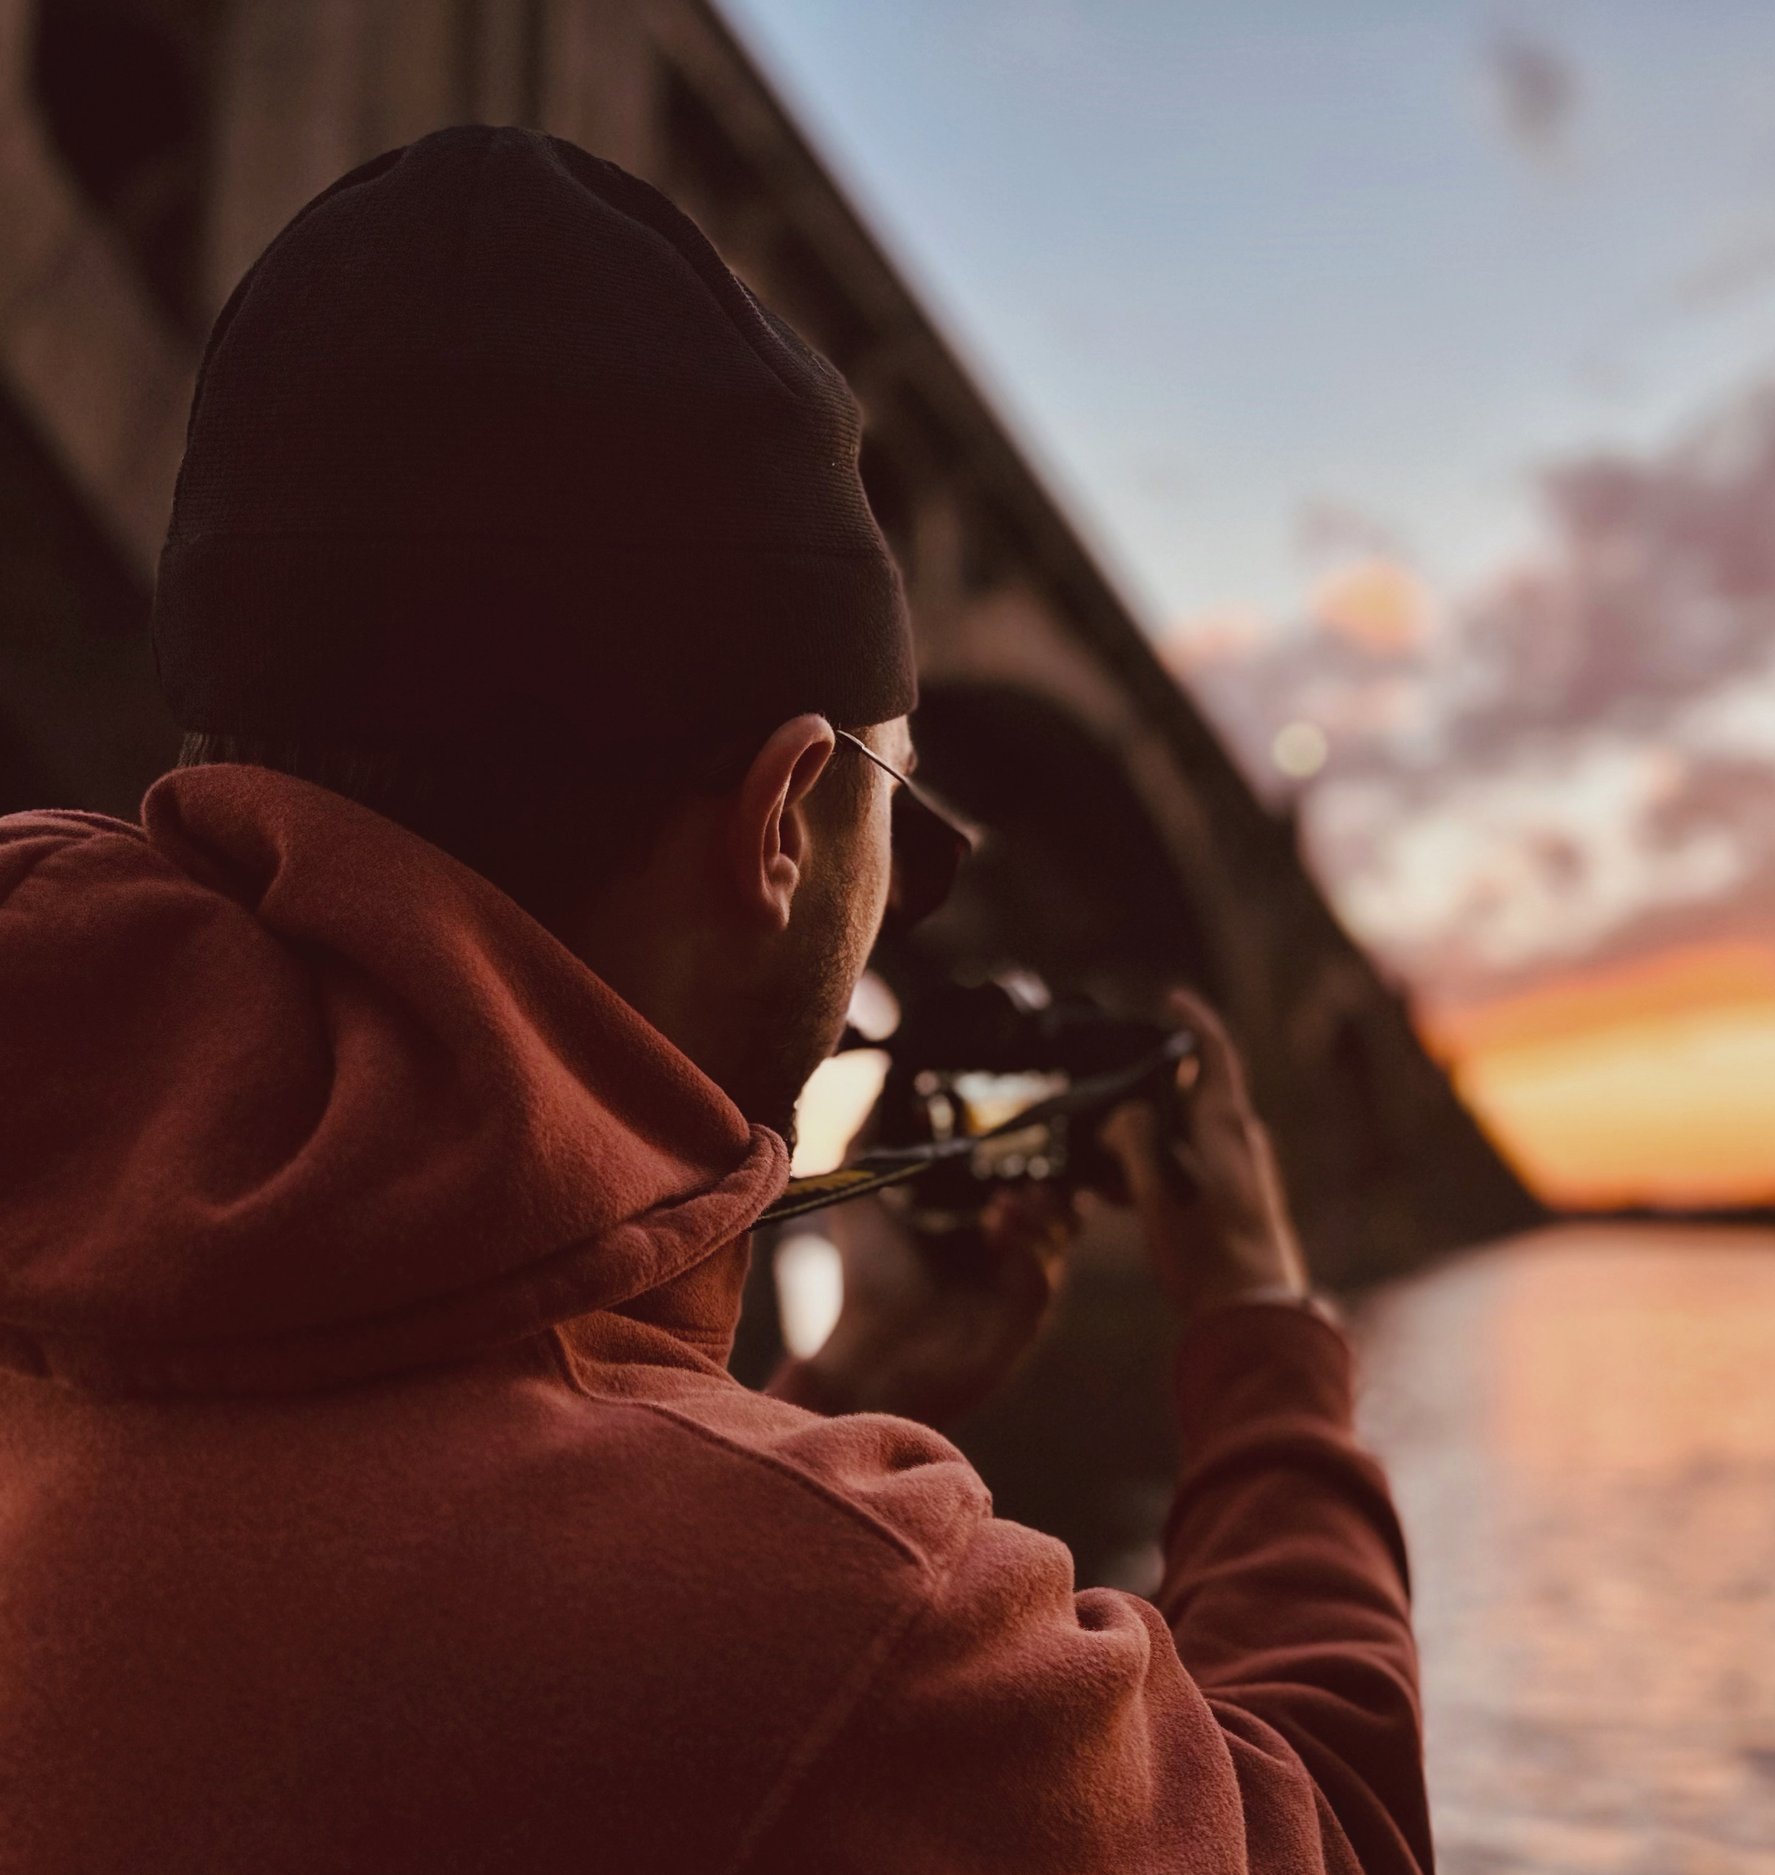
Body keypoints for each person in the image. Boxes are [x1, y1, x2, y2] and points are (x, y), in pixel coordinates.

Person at [0, 127, 1427, 1872]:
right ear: (778, 818)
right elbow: (1340, 1837)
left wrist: (824, 1398)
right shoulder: (834, 1625)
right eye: (907, 812)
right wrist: (1264, 1337)